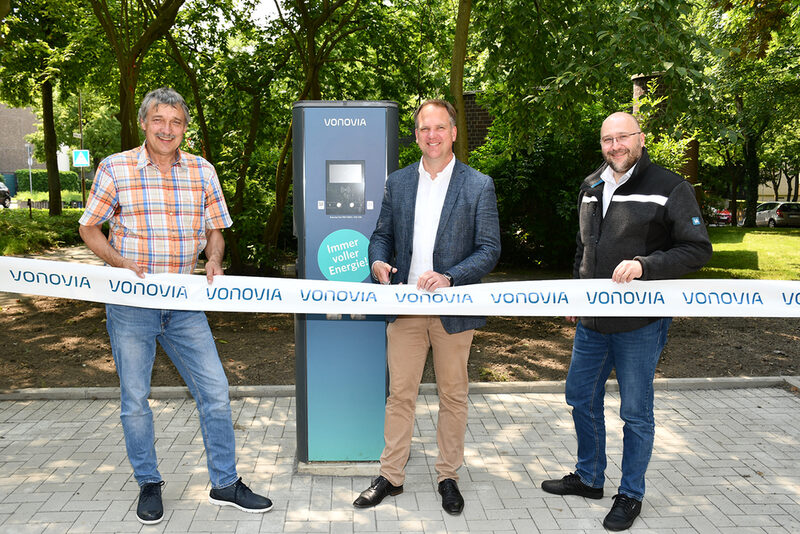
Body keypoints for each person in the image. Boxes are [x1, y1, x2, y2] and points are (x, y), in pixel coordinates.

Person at [78, 87, 272, 525]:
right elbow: (89, 228)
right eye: (159, 120)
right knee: (134, 400)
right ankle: (149, 482)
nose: (168, 129)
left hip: (185, 302)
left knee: (216, 392)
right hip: (130, 304)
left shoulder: (202, 171)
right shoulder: (116, 168)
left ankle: (225, 483)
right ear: (145, 123)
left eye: (177, 122)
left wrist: (215, 258)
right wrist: (120, 262)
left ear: (185, 127)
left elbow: (215, 231)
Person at [541, 112, 712, 530]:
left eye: (622, 137)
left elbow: (697, 249)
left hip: (640, 325)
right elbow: (583, 247)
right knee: (580, 397)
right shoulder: (591, 184)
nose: (615, 146)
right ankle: (589, 477)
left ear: (640, 138)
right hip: (592, 322)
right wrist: (575, 294)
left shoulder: (671, 186)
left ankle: (630, 494)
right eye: (606, 140)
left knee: (635, 414)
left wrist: (644, 265)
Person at [353, 99, 501, 515]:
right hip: (406, 308)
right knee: (400, 395)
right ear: (416, 135)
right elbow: (381, 235)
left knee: (454, 395)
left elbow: (490, 249)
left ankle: (448, 476)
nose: (432, 136)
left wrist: (450, 275)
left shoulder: (477, 184)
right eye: (424, 129)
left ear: (453, 133)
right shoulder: (397, 182)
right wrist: (377, 260)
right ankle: (391, 476)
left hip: (454, 307)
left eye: (439, 128)